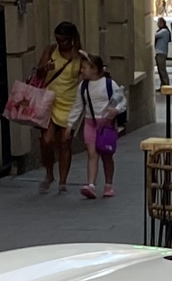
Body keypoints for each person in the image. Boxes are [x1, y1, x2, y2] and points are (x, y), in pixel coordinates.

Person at [34, 22, 88, 193]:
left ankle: (63, 182)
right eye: (57, 39)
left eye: (63, 40)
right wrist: (45, 68)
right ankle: (49, 173)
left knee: (65, 142)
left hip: (69, 103)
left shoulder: (79, 56)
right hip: (49, 101)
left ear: (72, 39)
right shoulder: (50, 50)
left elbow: (88, 73)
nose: (60, 43)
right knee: (46, 141)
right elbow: (38, 72)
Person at [78, 55, 126, 201]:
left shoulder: (109, 84)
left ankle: (108, 185)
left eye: (84, 68)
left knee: (107, 156)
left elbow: (121, 100)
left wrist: (116, 110)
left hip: (107, 125)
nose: (81, 70)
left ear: (95, 69)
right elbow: (77, 106)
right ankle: (91, 185)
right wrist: (70, 125)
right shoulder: (83, 86)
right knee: (92, 155)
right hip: (90, 123)